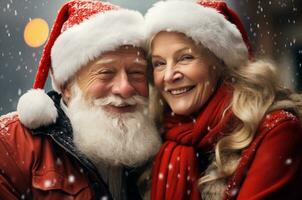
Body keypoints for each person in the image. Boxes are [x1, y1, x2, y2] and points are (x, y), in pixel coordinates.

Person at [0, 0, 161, 199]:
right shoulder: (9, 148)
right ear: (67, 86)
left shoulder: (158, 148)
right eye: (106, 73)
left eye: (137, 73)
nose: (125, 88)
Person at [144, 0, 302, 199]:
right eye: (159, 63)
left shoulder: (276, 128)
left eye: (185, 58)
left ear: (221, 62)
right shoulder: (157, 133)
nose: (168, 76)